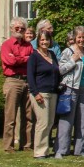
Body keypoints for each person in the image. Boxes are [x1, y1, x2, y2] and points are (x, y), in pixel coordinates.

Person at [55, 25, 84, 158]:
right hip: (70, 89)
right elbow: (60, 70)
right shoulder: (68, 52)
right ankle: (61, 150)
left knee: (82, 121)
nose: (81, 40)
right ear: (74, 38)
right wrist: (73, 60)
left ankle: (81, 149)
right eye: (79, 37)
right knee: (66, 121)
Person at [27, 29, 61, 159]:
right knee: (42, 123)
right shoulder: (34, 56)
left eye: (46, 39)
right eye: (42, 40)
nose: (44, 42)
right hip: (40, 93)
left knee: (50, 122)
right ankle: (39, 152)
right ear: (38, 41)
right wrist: (35, 93)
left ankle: (45, 150)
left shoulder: (52, 54)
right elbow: (30, 77)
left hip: (52, 93)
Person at [0, 17, 33, 153]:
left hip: (27, 80)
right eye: (17, 28)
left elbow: (32, 61)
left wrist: (18, 59)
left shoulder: (28, 45)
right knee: (10, 116)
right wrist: (24, 59)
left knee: (28, 116)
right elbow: (10, 61)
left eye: (22, 28)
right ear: (11, 29)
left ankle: (26, 145)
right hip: (13, 81)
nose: (19, 30)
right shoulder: (6, 45)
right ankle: (8, 146)